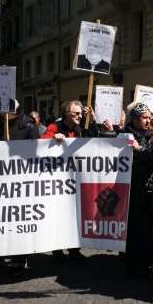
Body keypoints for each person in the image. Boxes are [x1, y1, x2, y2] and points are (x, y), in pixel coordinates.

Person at [0, 106, 40, 276]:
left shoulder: (28, 126)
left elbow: (37, 152)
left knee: (18, 221)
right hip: (0, 181)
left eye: (0, 108)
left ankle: (19, 257)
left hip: (21, 182)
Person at [41, 101, 97, 265]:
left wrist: (92, 120)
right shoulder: (55, 126)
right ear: (66, 114)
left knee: (75, 217)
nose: (80, 116)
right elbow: (41, 141)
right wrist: (53, 138)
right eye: (76, 113)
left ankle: (74, 251)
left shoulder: (81, 128)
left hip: (75, 181)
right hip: (57, 182)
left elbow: (94, 139)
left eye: (81, 113)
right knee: (58, 217)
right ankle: (57, 250)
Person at [119, 102, 153, 278]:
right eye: (144, 117)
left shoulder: (152, 136)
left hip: (146, 191)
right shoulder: (122, 135)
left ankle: (146, 264)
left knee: (146, 230)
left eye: (149, 117)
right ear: (135, 118)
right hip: (125, 190)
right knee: (129, 229)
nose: (148, 121)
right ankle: (129, 263)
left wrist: (138, 149)